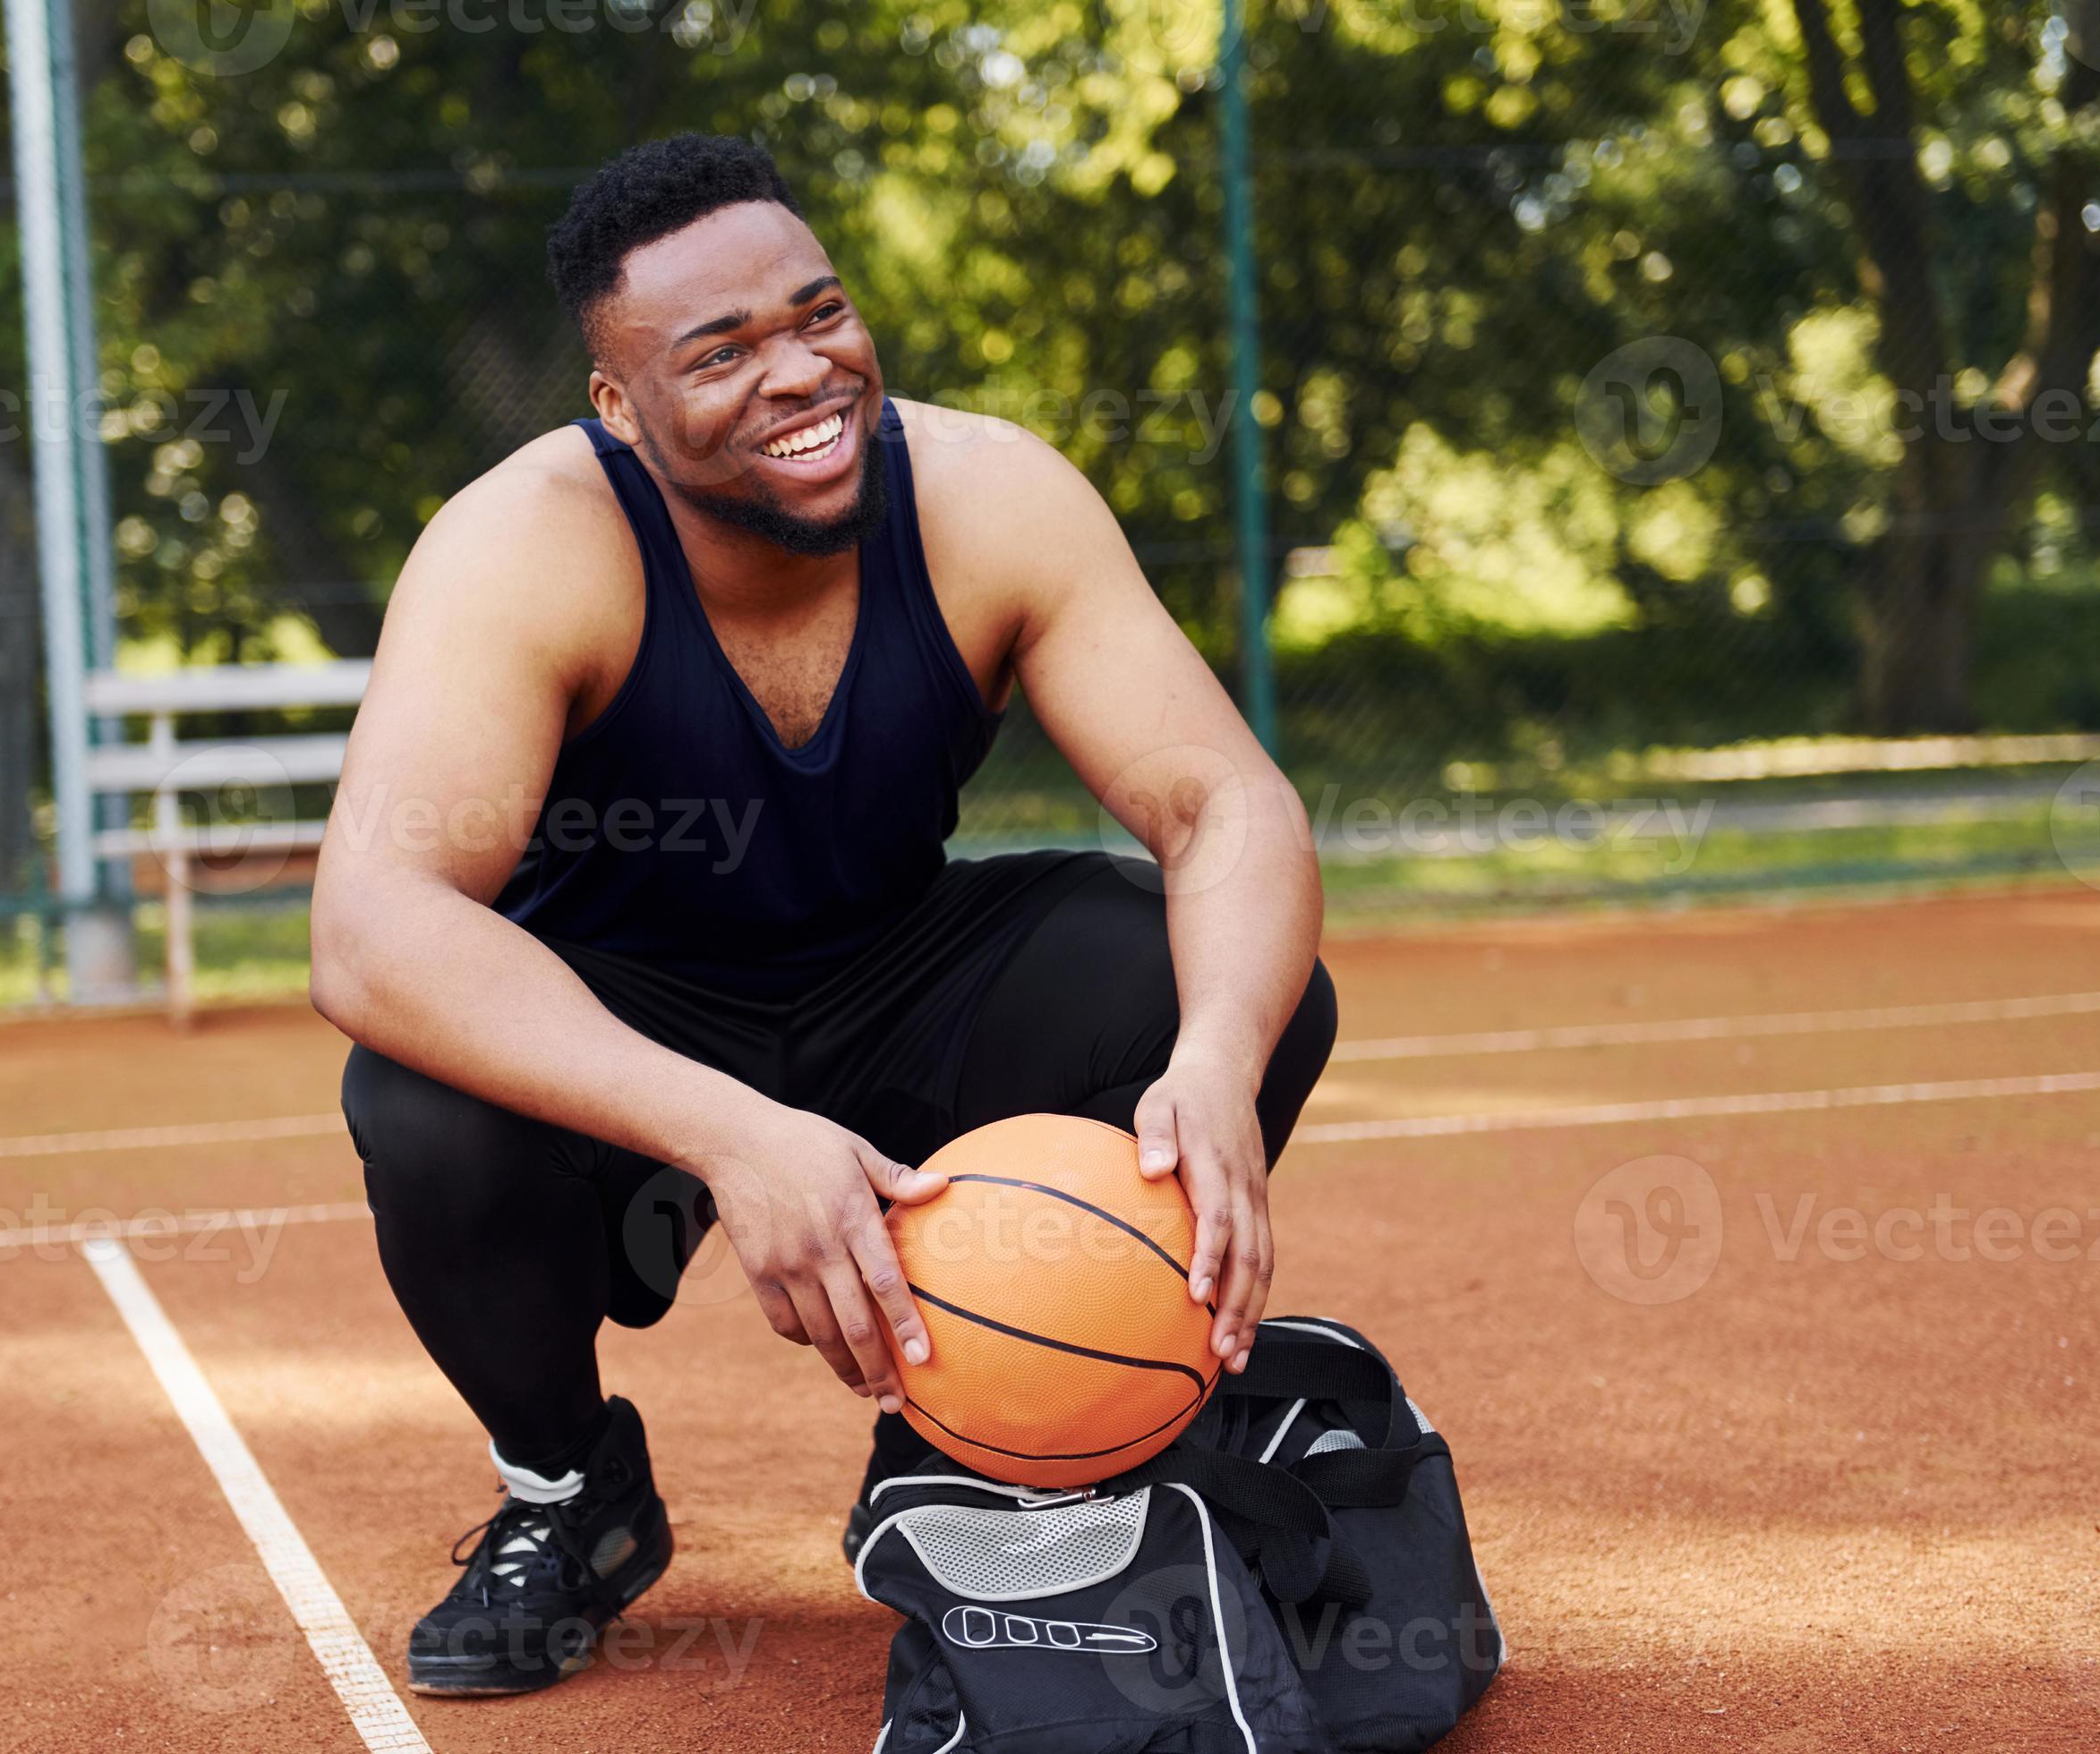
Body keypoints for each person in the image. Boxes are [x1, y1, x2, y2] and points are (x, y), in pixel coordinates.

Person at [308, 132, 1336, 1698]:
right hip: (622, 1018)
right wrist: (731, 1133)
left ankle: (989, 1436)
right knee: (423, 1098)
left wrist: (1213, 1061)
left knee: (1224, 987)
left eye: (820, 313)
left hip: (894, 981)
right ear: (618, 406)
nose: (799, 372)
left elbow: (1226, 806)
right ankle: (571, 1492)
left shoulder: (992, 496)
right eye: (719, 352)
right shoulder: (523, 545)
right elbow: (372, 923)